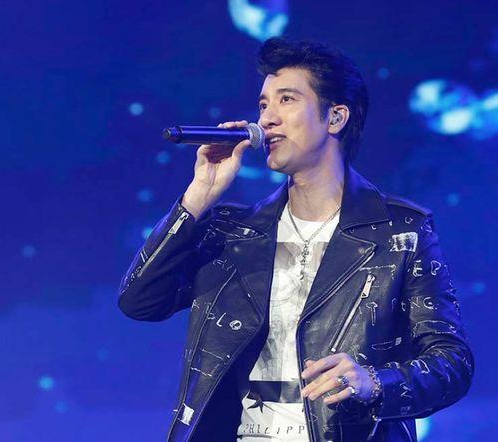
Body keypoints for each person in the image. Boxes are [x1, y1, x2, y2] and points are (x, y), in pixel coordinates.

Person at [118, 38, 474, 441]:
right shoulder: (234, 233)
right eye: (263, 105)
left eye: (286, 100)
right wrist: (199, 195)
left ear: (335, 117)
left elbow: (452, 363)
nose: (267, 118)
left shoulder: (399, 232)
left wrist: (374, 382)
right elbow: (139, 301)